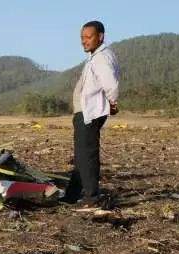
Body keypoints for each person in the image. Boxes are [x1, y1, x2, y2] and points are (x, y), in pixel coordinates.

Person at [62, 20, 120, 208]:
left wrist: (112, 102)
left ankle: (92, 196)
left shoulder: (101, 58)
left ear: (100, 37)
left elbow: (111, 83)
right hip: (86, 112)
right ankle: (72, 195)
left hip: (90, 113)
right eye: (82, 38)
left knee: (87, 155)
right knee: (81, 156)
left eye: (88, 37)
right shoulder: (96, 57)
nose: (84, 41)